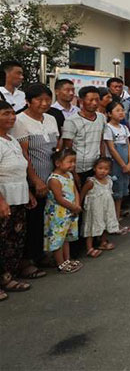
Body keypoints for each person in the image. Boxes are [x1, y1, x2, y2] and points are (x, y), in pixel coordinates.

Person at [12, 84, 59, 279]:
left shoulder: (51, 118)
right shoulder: (20, 121)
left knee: (46, 218)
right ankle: (26, 262)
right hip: (33, 179)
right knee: (32, 221)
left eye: (47, 99)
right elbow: (24, 154)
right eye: (39, 99)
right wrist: (35, 180)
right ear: (28, 101)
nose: (44, 103)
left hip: (52, 177)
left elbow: (58, 146)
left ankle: (40, 255)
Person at [0, 100, 37, 296]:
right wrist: (1, 201)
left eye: (12, 113)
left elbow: (19, 169)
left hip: (18, 198)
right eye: (5, 113)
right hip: (4, 200)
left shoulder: (11, 140)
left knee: (14, 241)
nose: (11, 117)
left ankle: (8, 277)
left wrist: (28, 192)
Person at [44, 148, 82, 274]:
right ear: (58, 163)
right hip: (58, 214)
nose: (73, 165)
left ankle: (67, 259)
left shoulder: (69, 175)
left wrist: (77, 203)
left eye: (74, 161)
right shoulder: (54, 179)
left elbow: (75, 190)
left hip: (69, 212)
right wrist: (73, 207)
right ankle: (60, 263)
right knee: (57, 238)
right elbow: (59, 198)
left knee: (65, 237)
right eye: (69, 162)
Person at [62, 86, 107, 186]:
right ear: (81, 100)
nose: (94, 103)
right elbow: (68, 147)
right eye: (90, 100)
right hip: (78, 168)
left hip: (96, 168)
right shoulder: (71, 121)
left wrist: (103, 162)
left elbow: (101, 141)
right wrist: (73, 173)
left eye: (97, 100)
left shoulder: (101, 118)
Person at [80, 157, 119, 257]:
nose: (102, 171)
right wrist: (79, 205)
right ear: (94, 168)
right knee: (91, 226)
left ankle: (103, 242)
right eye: (100, 168)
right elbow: (82, 194)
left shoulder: (109, 180)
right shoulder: (91, 182)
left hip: (106, 207)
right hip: (94, 209)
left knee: (105, 222)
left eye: (106, 169)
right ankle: (89, 248)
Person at [104, 101, 130, 228]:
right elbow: (111, 149)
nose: (121, 112)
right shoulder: (108, 128)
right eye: (117, 110)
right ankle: (113, 220)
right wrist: (123, 165)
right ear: (109, 114)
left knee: (121, 191)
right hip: (116, 164)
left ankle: (117, 218)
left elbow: (128, 146)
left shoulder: (124, 128)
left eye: (122, 110)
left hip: (126, 162)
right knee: (115, 191)